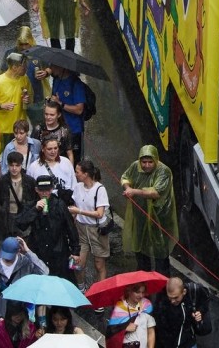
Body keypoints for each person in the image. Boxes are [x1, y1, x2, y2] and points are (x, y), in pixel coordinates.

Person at [121, 145, 176, 274]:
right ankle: (143, 281)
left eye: (150, 162)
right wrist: (127, 187)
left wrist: (133, 191)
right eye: (144, 162)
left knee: (160, 252)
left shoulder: (164, 171)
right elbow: (125, 177)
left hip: (159, 217)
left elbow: (156, 192)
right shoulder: (135, 166)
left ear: (156, 160)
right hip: (140, 214)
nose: (146, 165)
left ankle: (161, 283)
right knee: (140, 248)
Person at [17, 174, 77, 280]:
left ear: (52, 189)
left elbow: (71, 228)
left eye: (48, 190)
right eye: (41, 190)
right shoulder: (31, 205)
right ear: (36, 189)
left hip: (58, 252)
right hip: (39, 251)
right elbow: (21, 224)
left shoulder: (59, 204)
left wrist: (75, 251)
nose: (45, 193)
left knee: (60, 282)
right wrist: (35, 210)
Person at [0, 237, 47, 322]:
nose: (7, 259)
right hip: (2, 317)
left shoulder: (26, 263)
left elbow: (44, 272)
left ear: (18, 251)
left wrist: (28, 251)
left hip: (23, 315)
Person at [69, 159, 110, 289]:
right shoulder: (77, 187)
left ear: (85, 174)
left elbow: (99, 213)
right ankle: (81, 288)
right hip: (81, 229)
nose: (75, 174)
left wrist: (79, 211)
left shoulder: (100, 189)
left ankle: (99, 292)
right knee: (78, 263)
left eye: (77, 172)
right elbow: (75, 207)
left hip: (96, 230)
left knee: (99, 264)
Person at [0, 53, 33, 152]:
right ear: (14, 67)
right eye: (23, 66)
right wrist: (2, 106)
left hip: (21, 128)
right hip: (4, 129)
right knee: (4, 156)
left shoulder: (25, 79)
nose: (26, 68)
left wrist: (27, 100)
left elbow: (30, 98)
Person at [0, 151, 31, 244]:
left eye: (17, 165)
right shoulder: (0, 182)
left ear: (21, 165)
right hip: (3, 221)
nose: (14, 168)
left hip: (23, 221)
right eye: (12, 165)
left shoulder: (29, 182)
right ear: (8, 165)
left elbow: (33, 203)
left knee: (22, 249)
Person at [154, 277, 211, 348]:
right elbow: (161, 331)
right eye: (170, 297)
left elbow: (205, 298)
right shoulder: (162, 305)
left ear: (184, 292)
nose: (172, 301)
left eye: (176, 297)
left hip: (189, 343)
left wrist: (199, 311)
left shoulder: (192, 291)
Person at [106, 282, 155, 348]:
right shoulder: (120, 308)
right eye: (137, 292)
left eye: (143, 292)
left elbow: (151, 331)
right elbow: (111, 333)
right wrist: (124, 328)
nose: (141, 295)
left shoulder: (147, 305)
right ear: (129, 291)